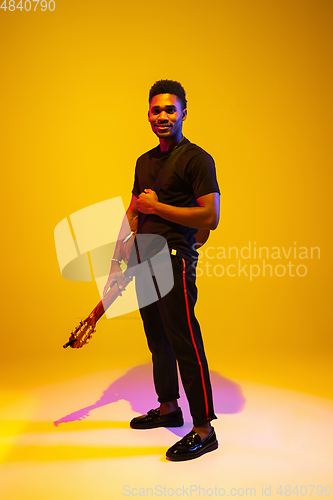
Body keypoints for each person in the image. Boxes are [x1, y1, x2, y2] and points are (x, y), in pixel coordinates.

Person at [103, 80, 220, 461]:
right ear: (148, 115)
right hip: (142, 258)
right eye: (156, 110)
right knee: (158, 339)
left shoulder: (197, 159)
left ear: (184, 112)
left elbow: (210, 215)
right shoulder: (143, 161)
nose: (163, 116)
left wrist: (159, 210)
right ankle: (168, 407)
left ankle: (203, 430)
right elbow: (135, 208)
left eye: (170, 109)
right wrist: (118, 256)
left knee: (185, 341)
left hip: (173, 259)